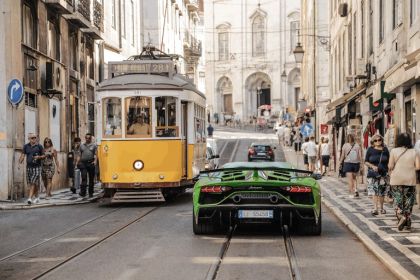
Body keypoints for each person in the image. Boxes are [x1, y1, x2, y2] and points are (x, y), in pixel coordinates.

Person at [388, 133, 420, 231]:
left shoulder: (393, 151)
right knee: (408, 201)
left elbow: (390, 166)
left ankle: (401, 216)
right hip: (410, 179)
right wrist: (410, 168)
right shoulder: (414, 151)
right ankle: (408, 220)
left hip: (396, 179)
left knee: (398, 200)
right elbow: (418, 167)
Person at [364, 134, 389, 216]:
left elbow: (389, 161)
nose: (378, 141)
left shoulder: (385, 150)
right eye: (376, 140)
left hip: (383, 174)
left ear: (382, 141)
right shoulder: (370, 150)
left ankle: (381, 208)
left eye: (379, 140)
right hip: (372, 174)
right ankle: (375, 208)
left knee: (382, 192)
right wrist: (372, 166)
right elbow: (366, 161)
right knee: (374, 191)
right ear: (373, 142)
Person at [18, 133, 44, 204]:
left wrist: (39, 157)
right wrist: (20, 162)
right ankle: (37, 197)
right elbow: (23, 155)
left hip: (37, 167)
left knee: (33, 182)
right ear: (29, 139)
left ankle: (29, 198)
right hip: (29, 168)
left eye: (35, 137)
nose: (34, 139)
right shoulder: (26, 146)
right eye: (32, 138)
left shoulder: (39, 146)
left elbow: (44, 155)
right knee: (32, 183)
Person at [340, 134, 363, 198]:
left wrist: (340, 162)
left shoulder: (345, 145)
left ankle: (351, 192)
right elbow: (360, 156)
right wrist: (361, 164)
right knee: (354, 178)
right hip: (356, 163)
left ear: (346, 139)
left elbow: (343, 155)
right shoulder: (357, 145)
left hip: (348, 163)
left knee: (350, 179)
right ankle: (355, 190)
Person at [76, 133, 97, 198]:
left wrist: (95, 161)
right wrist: (77, 162)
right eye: (86, 138)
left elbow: (96, 154)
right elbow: (79, 155)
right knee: (84, 177)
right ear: (85, 138)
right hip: (83, 163)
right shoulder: (82, 146)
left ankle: (91, 193)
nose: (87, 139)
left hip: (91, 163)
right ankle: (83, 192)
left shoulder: (94, 146)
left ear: (91, 138)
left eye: (89, 138)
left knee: (91, 179)